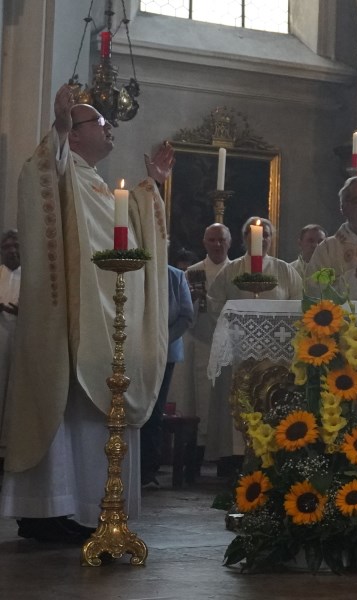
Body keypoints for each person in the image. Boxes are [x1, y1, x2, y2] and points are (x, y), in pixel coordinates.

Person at [0, 84, 172, 543]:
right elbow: (39, 171)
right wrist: (57, 124)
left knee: (97, 411)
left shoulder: (98, 182)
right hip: (71, 319)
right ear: (74, 136)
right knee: (68, 406)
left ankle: (90, 505)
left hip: (108, 320)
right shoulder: (64, 171)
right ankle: (50, 510)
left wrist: (152, 186)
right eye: (98, 121)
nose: (108, 126)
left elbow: (133, 228)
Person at [206, 217, 303, 472]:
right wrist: (236, 326)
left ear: (272, 239)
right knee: (238, 399)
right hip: (240, 353)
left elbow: (299, 306)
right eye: (255, 234)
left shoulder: (284, 271)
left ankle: (273, 456)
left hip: (278, 354)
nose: (262, 238)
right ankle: (233, 458)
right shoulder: (232, 271)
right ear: (245, 238)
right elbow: (215, 303)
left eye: (267, 234)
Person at [172, 223, 233, 467]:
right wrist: (194, 301)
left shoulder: (236, 270)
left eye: (221, 240)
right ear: (204, 242)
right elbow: (184, 312)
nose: (217, 245)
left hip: (228, 345)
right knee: (196, 399)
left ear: (229, 242)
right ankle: (195, 455)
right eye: (212, 240)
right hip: (199, 340)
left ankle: (224, 456)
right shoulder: (192, 273)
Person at [139, 264, 194, 486]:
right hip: (133, 350)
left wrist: (160, 341)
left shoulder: (176, 275)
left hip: (165, 352)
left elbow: (186, 315)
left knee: (154, 409)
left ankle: (148, 468)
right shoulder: (134, 270)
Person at [0, 230, 20, 459]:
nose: (13, 251)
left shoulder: (34, 280)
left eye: (16, 246)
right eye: (8, 247)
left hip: (21, 345)